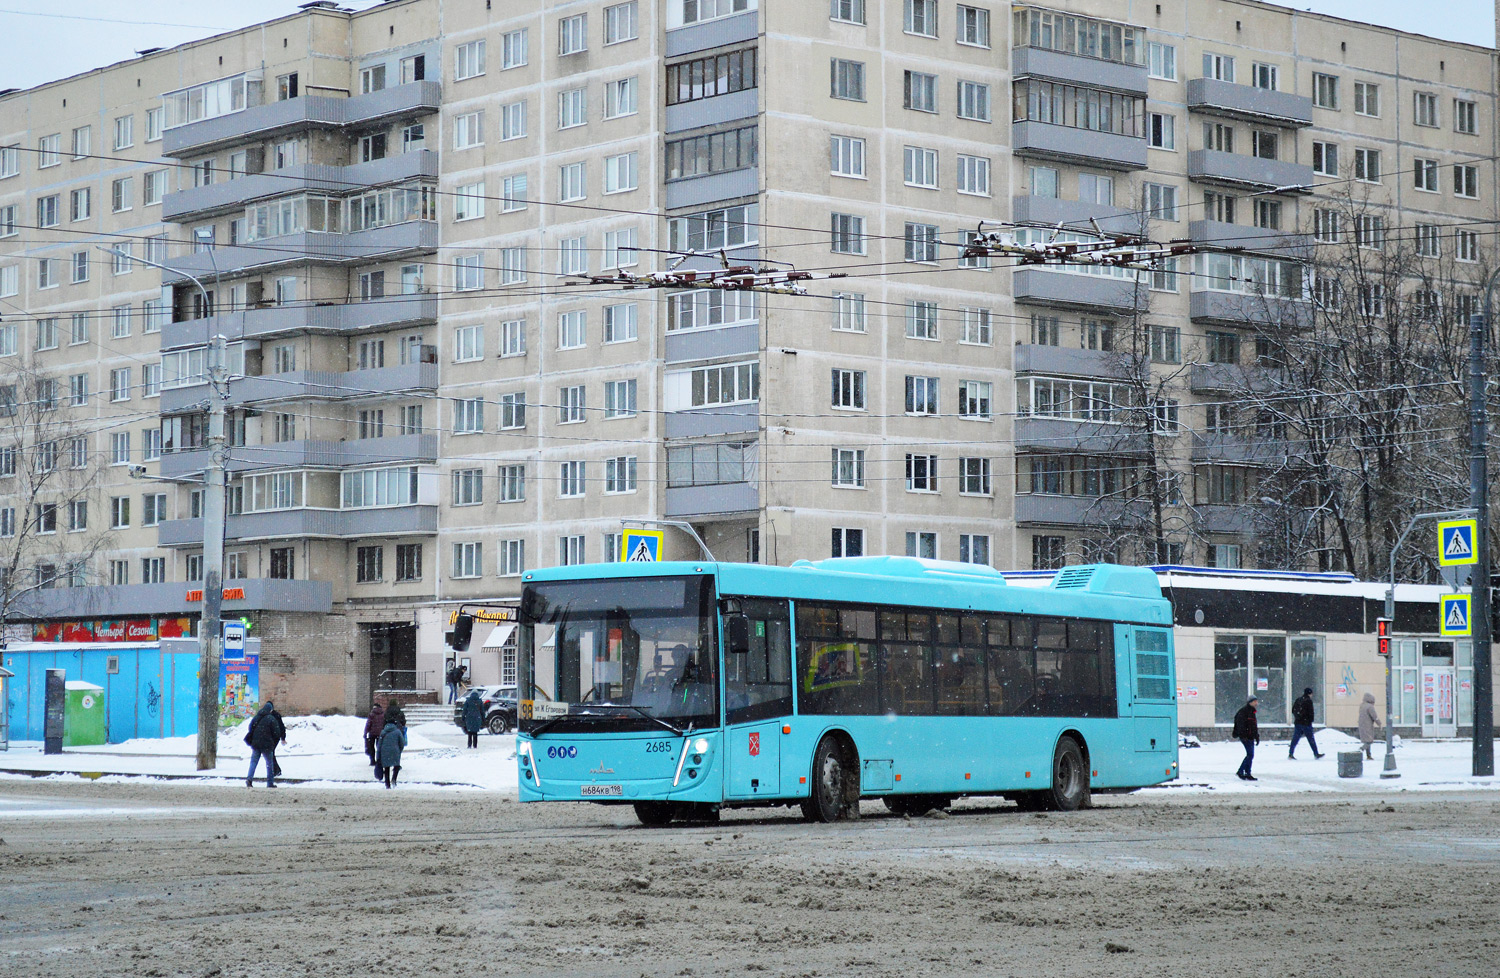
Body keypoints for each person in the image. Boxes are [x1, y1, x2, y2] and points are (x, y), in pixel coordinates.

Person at [244, 700, 286, 788]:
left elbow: (250, 728)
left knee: (253, 762)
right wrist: (273, 740)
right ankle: (270, 783)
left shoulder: (256, 717)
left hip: (256, 744)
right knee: (269, 764)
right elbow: (276, 732)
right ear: (270, 710)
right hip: (267, 745)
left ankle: (249, 779)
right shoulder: (271, 718)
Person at [1289, 686, 1324, 759]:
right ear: (1309, 693)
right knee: (1311, 739)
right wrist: (1310, 720)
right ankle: (1316, 753)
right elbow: (1311, 712)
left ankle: (1291, 753)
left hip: (1298, 723)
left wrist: (1297, 717)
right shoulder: (1308, 701)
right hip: (1306, 724)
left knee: (1295, 739)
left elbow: (1293, 710)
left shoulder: (1298, 700)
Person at [1233, 695, 1260, 781]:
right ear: (1250, 702)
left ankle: (1247, 772)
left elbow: (1253, 726)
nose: (1256, 703)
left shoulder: (1252, 712)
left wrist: (1256, 736)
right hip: (1246, 737)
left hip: (1250, 736)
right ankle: (1241, 771)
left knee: (1250, 755)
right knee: (1250, 754)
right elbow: (1240, 724)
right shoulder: (1244, 712)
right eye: (1255, 701)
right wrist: (1243, 735)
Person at [377, 713, 408, 788]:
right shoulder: (397, 732)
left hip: (385, 751)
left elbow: (379, 745)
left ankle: (387, 783)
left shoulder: (383, 732)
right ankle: (394, 779)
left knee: (386, 767)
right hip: (395, 751)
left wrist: (378, 756)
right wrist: (399, 750)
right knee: (396, 766)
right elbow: (402, 743)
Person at [1358, 691, 1382, 760]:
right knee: (1369, 741)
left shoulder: (1362, 705)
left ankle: (1368, 755)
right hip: (1368, 725)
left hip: (1362, 725)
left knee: (1367, 740)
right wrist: (1379, 723)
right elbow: (1374, 716)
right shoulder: (1370, 707)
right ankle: (1361, 749)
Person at [363, 700, 385, 770]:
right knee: (379, 747)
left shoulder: (372, 714)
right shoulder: (383, 714)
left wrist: (365, 732)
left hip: (372, 733)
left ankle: (372, 760)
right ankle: (379, 760)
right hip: (380, 733)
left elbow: (368, 724)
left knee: (371, 747)